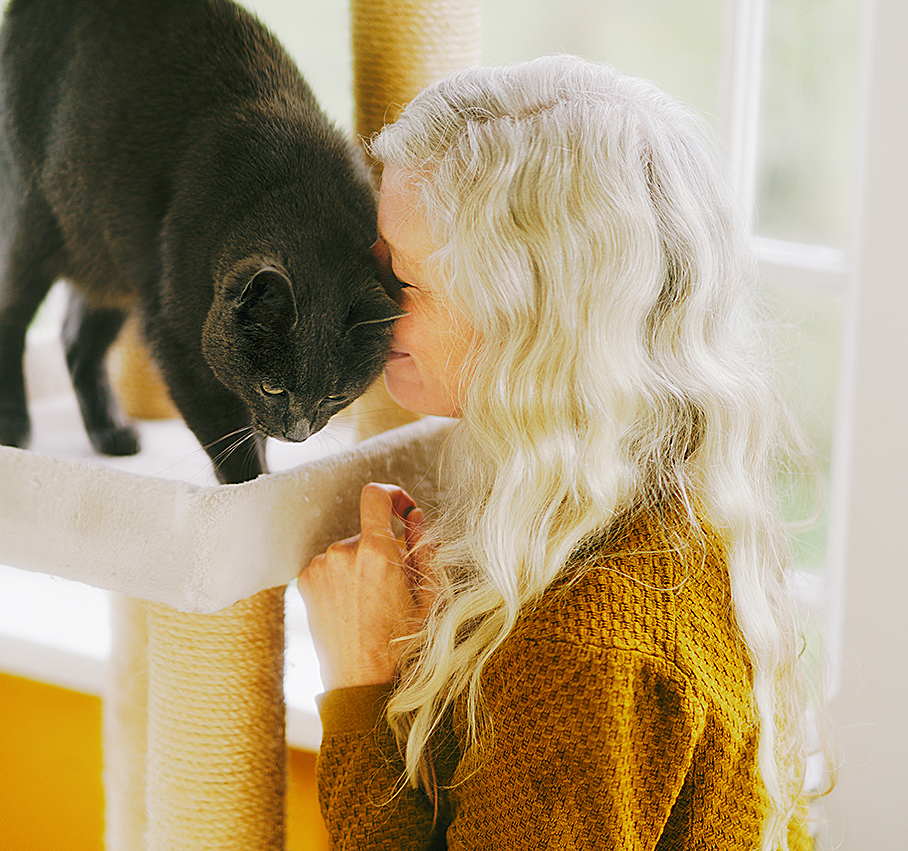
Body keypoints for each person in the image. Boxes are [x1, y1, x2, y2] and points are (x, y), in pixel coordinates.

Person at [297, 55, 824, 850]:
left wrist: (362, 684)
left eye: (401, 278)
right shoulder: (681, 505)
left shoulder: (584, 645)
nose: (370, 310)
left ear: (532, 322)